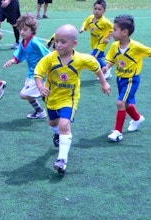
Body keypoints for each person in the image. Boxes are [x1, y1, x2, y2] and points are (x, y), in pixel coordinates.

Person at [34, 24, 111, 174]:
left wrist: (104, 82)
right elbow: (38, 73)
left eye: (63, 42)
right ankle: (58, 134)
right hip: (51, 98)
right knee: (53, 123)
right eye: (56, 41)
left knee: (64, 125)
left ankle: (62, 160)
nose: (58, 44)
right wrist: (40, 86)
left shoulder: (82, 59)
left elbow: (96, 67)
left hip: (70, 98)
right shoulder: (50, 58)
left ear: (74, 43)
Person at [105, 15, 151, 142]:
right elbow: (111, 59)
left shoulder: (137, 47)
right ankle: (138, 118)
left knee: (120, 103)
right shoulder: (114, 46)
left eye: (115, 30)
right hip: (120, 79)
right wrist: (106, 67)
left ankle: (118, 132)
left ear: (124, 32)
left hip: (131, 80)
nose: (112, 32)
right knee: (127, 103)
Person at [3, 13, 50, 119]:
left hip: (39, 74)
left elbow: (48, 55)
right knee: (29, 96)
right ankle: (40, 111)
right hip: (31, 73)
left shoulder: (35, 43)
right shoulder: (23, 41)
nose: (22, 32)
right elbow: (19, 54)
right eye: (20, 29)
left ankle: (47, 95)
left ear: (32, 30)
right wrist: (13, 60)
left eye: (25, 29)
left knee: (24, 95)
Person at [79, 0, 113, 79]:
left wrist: (108, 38)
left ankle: (106, 69)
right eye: (95, 9)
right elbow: (86, 23)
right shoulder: (91, 17)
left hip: (101, 42)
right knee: (99, 57)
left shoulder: (105, 22)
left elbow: (113, 29)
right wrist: (83, 28)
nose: (96, 11)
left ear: (104, 11)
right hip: (94, 42)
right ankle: (106, 67)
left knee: (93, 57)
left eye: (99, 9)